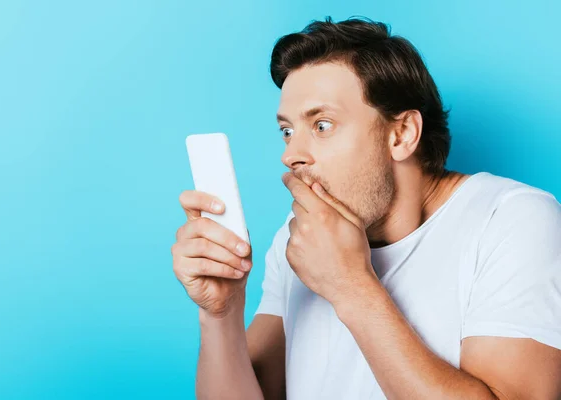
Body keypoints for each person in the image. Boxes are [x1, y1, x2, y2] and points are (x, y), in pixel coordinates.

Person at [171, 17, 561, 399]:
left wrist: (351, 287)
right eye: (287, 131)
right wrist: (221, 313)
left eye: (322, 125)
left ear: (402, 134)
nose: (291, 155)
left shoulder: (512, 220)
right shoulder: (299, 237)